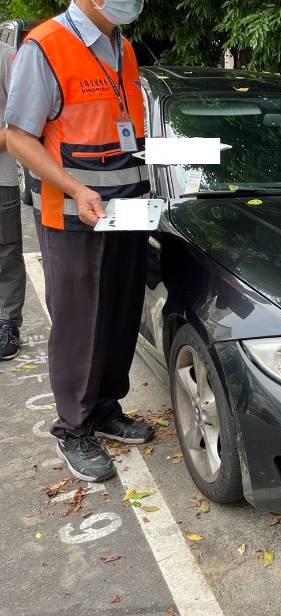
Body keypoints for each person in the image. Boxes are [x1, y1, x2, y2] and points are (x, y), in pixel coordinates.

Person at [5, 0, 154, 482]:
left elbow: (124, 131)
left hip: (127, 210)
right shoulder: (45, 46)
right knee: (80, 324)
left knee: (120, 313)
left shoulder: (123, 47)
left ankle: (107, 409)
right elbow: (18, 137)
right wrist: (76, 189)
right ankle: (74, 427)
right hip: (75, 213)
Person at [0, 40, 23, 360]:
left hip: (1, 177)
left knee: (5, 254)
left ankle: (7, 322)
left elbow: (21, 121)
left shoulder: (5, 55)